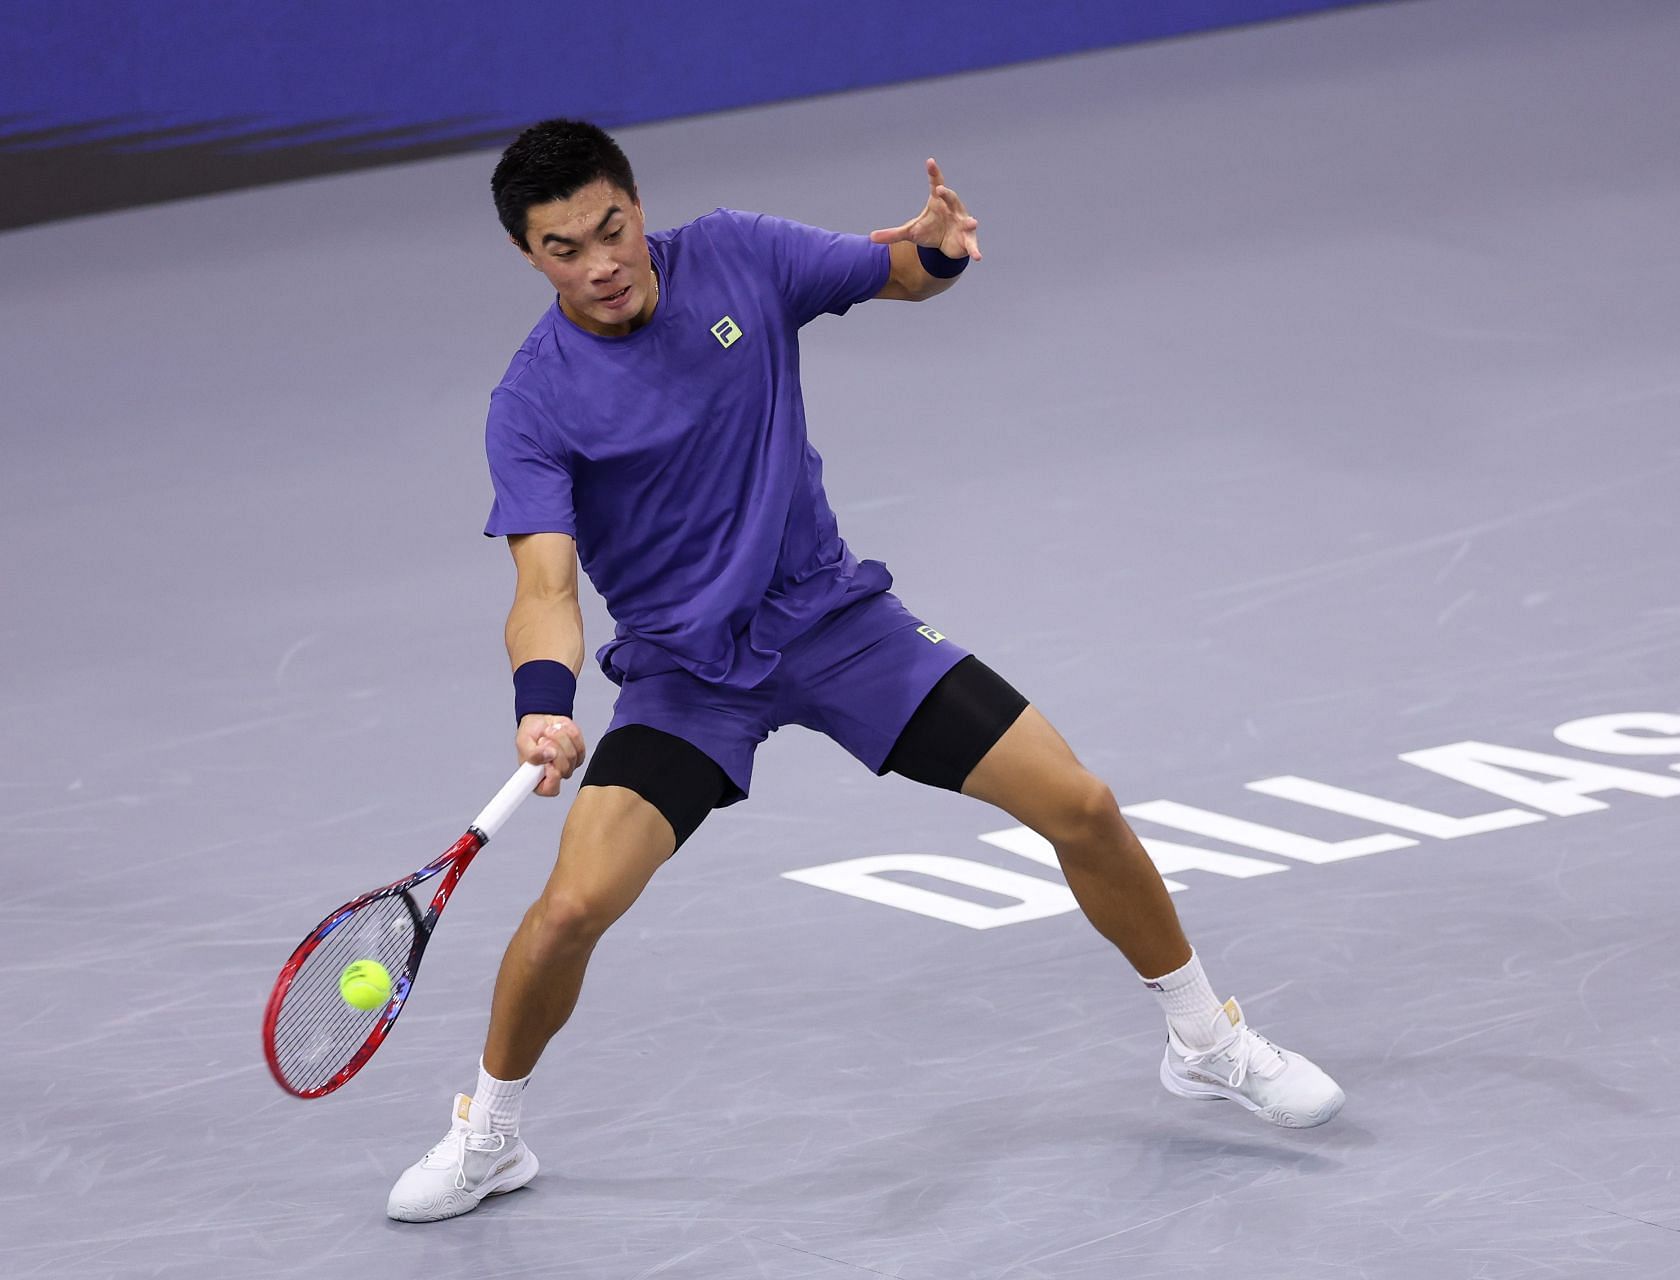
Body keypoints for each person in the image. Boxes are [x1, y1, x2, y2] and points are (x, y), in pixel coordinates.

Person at [386, 119, 1343, 1223]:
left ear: (639, 205)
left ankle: (1206, 1040)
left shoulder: (741, 252)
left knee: (1078, 802)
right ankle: (490, 1135)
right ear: (529, 258)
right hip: (690, 679)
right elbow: (544, 590)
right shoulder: (534, 402)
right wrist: (544, 706)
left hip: (836, 623)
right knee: (567, 910)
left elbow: (901, 272)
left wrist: (936, 247)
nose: (601, 263)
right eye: (565, 248)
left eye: (612, 228)